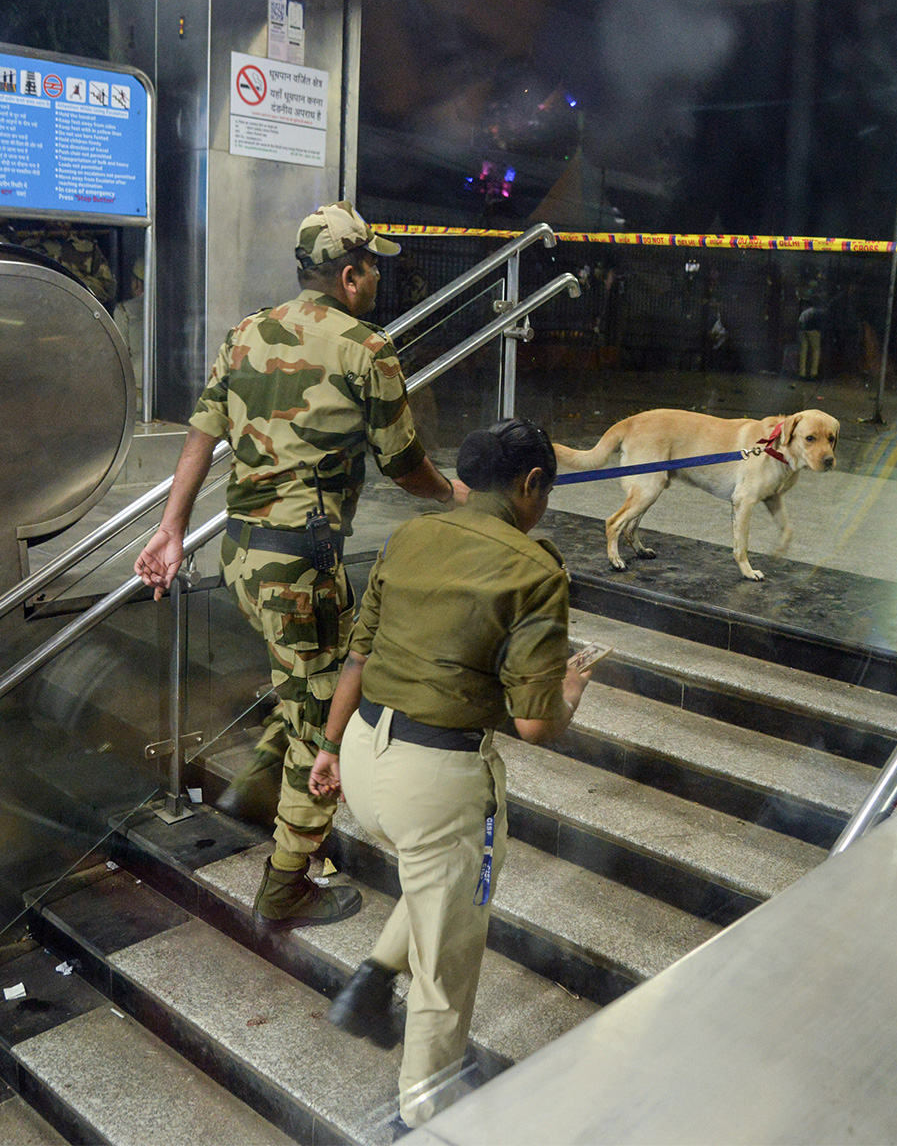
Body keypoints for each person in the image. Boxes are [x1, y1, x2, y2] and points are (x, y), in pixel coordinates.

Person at [134, 200, 463, 932]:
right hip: (302, 572)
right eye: (373, 266)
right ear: (350, 275)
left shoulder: (247, 333)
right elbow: (402, 461)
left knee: (304, 676)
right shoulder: (366, 348)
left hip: (244, 557)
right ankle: (286, 884)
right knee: (325, 718)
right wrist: (452, 494)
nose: (377, 278)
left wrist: (170, 530)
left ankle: (256, 790)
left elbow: (202, 430)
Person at [311, 418, 593, 1129]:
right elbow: (534, 725)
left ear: (462, 480)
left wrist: (327, 746)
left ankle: (373, 981)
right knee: (448, 966)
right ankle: (422, 1116)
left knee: (447, 874)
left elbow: (359, 656)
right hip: (436, 780)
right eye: (546, 492)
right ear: (533, 485)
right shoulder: (535, 570)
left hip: (363, 760)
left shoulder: (410, 537)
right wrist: (568, 696)